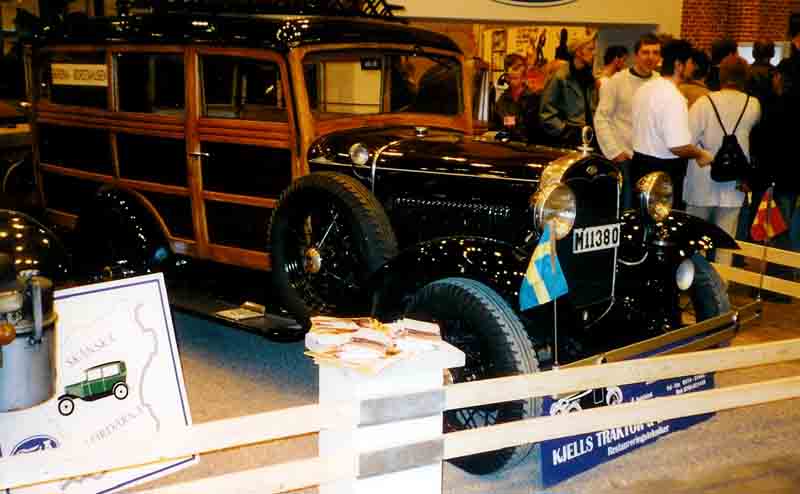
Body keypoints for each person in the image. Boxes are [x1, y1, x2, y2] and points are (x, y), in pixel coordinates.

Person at [685, 55, 761, 266]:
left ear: (720, 74)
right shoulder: (753, 105)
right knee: (726, 243)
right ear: (745, 77)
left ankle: (695, 288)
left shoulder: (704, 102)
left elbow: (687, 140)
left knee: (696, 241)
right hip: (734, 181)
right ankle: (721, 290)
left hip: (702, 177)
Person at [631, 39, 714, 208]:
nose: (693, 67)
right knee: (663, 227)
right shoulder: (674, 97)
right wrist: (701, 154)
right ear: (679, 65)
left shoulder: (645, 89)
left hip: (639, 165)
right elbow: (678, 146)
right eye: (690, 62)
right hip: (662, 172)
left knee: (641, 220)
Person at [595, 33, 661, 209]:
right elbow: (602, 117)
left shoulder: (661, 83)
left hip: (651, 157)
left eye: (655, 52)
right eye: (646, 52)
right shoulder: (616, 82)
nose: (651, 57)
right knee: (626, 207)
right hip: (624, 157)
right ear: (636, 55)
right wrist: (615, 151)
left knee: (649, 208)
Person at [539, 33, 597, 147]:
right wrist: (566, 131)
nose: (593, 53)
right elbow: (546, 112)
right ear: (578, 52)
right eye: (590, 49)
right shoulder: (561, 77)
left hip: (589, 138)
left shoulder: (590, 78)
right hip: (569, 141)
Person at [492, 53, 538, 142]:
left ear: (524, 74)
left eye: (516, 68)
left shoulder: (533, 98)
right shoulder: (502, 101)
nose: (511, 71)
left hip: (528, 148)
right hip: (507, 147)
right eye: (508, 68)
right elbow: (496, 129)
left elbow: (533, 131)